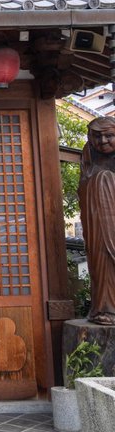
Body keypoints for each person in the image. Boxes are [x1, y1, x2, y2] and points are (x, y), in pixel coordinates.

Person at [79, 116, 115, 324]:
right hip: (99, 228)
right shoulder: (89, 157)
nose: (102, 141)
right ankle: (105, 309)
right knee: (102, 265)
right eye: (97, 137)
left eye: (109, 136)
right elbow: (83, 187)